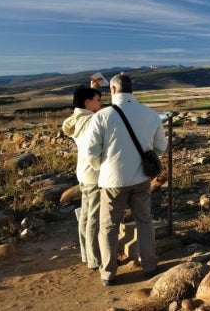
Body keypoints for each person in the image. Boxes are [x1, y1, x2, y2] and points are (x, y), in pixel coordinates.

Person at [85, 73, 167, 286]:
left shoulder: (101, 117)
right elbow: (161, 147)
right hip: (141, 178)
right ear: (132, 89)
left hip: (112, 182)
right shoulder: (151, 114)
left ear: (112, 90)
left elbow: (91, 152)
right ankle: (150, 265)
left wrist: (101, 169)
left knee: (109, 227)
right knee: (145, 221)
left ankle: (108, 273)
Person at [61, 85, 103, 271]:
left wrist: (92, 89)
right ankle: (95, 259)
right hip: (94, 173)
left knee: (85, 215)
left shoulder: (75, 120)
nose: (100, 103)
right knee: (94, 217)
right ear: (88, 102)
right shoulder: (92, 120)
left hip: (83, 173)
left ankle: (86, 255)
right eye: (98, 99)